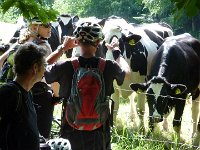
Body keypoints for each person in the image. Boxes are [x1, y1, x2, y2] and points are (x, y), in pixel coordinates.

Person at [45, 22, 130, 150]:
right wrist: (117, 52)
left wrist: (63, 48)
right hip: (100, 131)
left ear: (77, 42)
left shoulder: (65, 66)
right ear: (99, 42)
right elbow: (126, 72)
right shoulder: (109, 66)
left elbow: (42, 67)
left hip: (70, 130)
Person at [0, 42, 47, 150]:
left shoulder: (27, 93)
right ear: (35, 67)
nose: (46, 69)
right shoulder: (9, 92)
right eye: (44, 65)